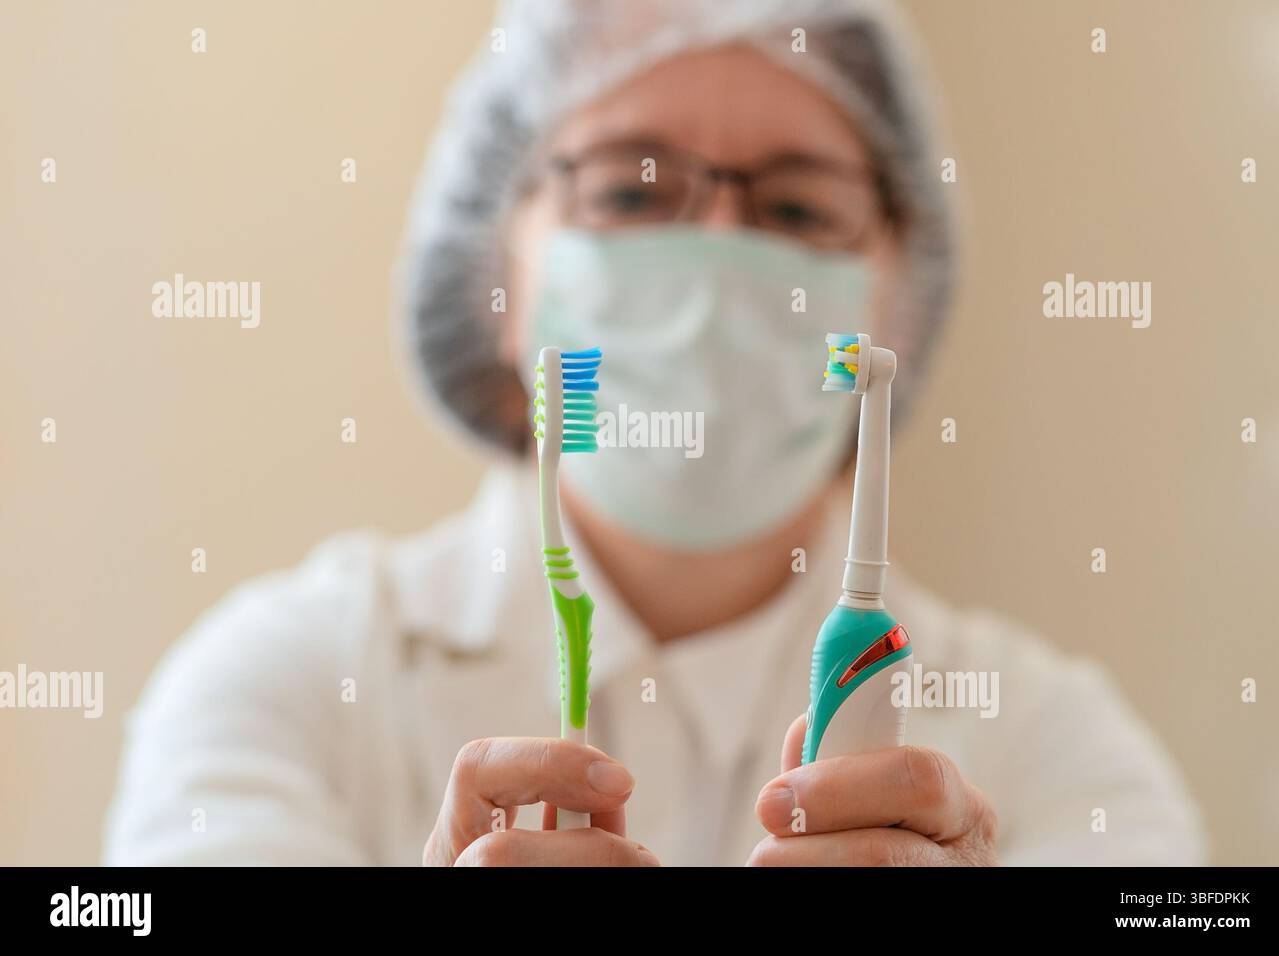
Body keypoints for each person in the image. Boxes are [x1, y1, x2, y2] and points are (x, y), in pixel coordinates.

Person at [104, 0, 1204, 867]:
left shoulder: (1059, 749)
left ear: (894, 295)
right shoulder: (284, 687)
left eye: (795, 208)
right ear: (497, 265)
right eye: (630, 196)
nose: (717, 255)